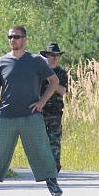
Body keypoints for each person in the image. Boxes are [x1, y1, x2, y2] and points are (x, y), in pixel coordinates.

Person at [0, 26, 63, 196]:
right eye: (10, 37)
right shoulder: (1, 62)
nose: (13, 40)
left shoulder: (36, 61)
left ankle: (54, 186)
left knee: (42, 151)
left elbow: (54, 82)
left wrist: (42, 102)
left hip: (31, 116)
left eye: (16, 37)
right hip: (5, 116)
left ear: (24, 39)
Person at [39, 42, 70, 173]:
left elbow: (63, 91)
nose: (55, 58)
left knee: (54, 140)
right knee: (40, 139)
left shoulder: (61, 73)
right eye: (52, 55)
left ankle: (54, 166)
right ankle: (41, 166)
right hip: (40, 111)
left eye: (57, 55)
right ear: (46, 55)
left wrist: (53, 82)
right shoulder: (39, 71)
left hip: (55, 112)